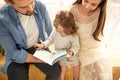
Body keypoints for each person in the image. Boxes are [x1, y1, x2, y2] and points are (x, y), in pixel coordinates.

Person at [0, 0, 61, 80]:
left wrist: (58, 51)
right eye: (23, 7)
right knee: (17, 76)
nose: (31, 9)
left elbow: (50, 32)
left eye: (31, 2)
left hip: (37, 47)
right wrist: (40, 60)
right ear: (9, 2)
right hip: (17, 51)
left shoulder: (40, 6)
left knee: (55, 70)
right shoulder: (2, 18)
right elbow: (12, 52)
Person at [69, 0, 113, 80]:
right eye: (86, 1)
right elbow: (66, 36)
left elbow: (98, 36)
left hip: (96, 48)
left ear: (100, 4)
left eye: (93, 5)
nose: (87, 6)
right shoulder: (73, 10)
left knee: (103, 72)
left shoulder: (100, 12)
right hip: (81, 49)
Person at [33, 11, 80, 80]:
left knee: (77, 65)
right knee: (62, 66)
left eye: (64, 32)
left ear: (70, 28)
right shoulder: (55, 32)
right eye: (59, 31)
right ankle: (61, 78)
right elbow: (49, 40)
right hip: (60, 53)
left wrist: (72, 51)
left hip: (70, 53)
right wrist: (43, 45)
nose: (62, 34)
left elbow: (76, 46)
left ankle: (77, 78)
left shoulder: (73, 36)